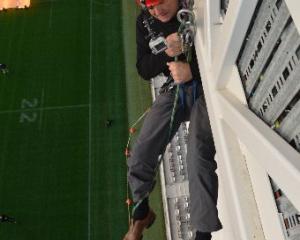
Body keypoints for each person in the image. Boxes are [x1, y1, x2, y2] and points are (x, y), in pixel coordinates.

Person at [123, 0, 222, 239]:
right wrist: (166, 53)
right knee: (141, 152)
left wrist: (193, 72)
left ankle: (202, 234)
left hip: (207, 88)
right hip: (177, 88)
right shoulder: (145, 23)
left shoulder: (199, 7)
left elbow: (222, 47)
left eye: (162, 2)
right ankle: (142, 211)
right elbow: (144, 68)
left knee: (197, 154)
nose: (158, 11)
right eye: (151, 7)